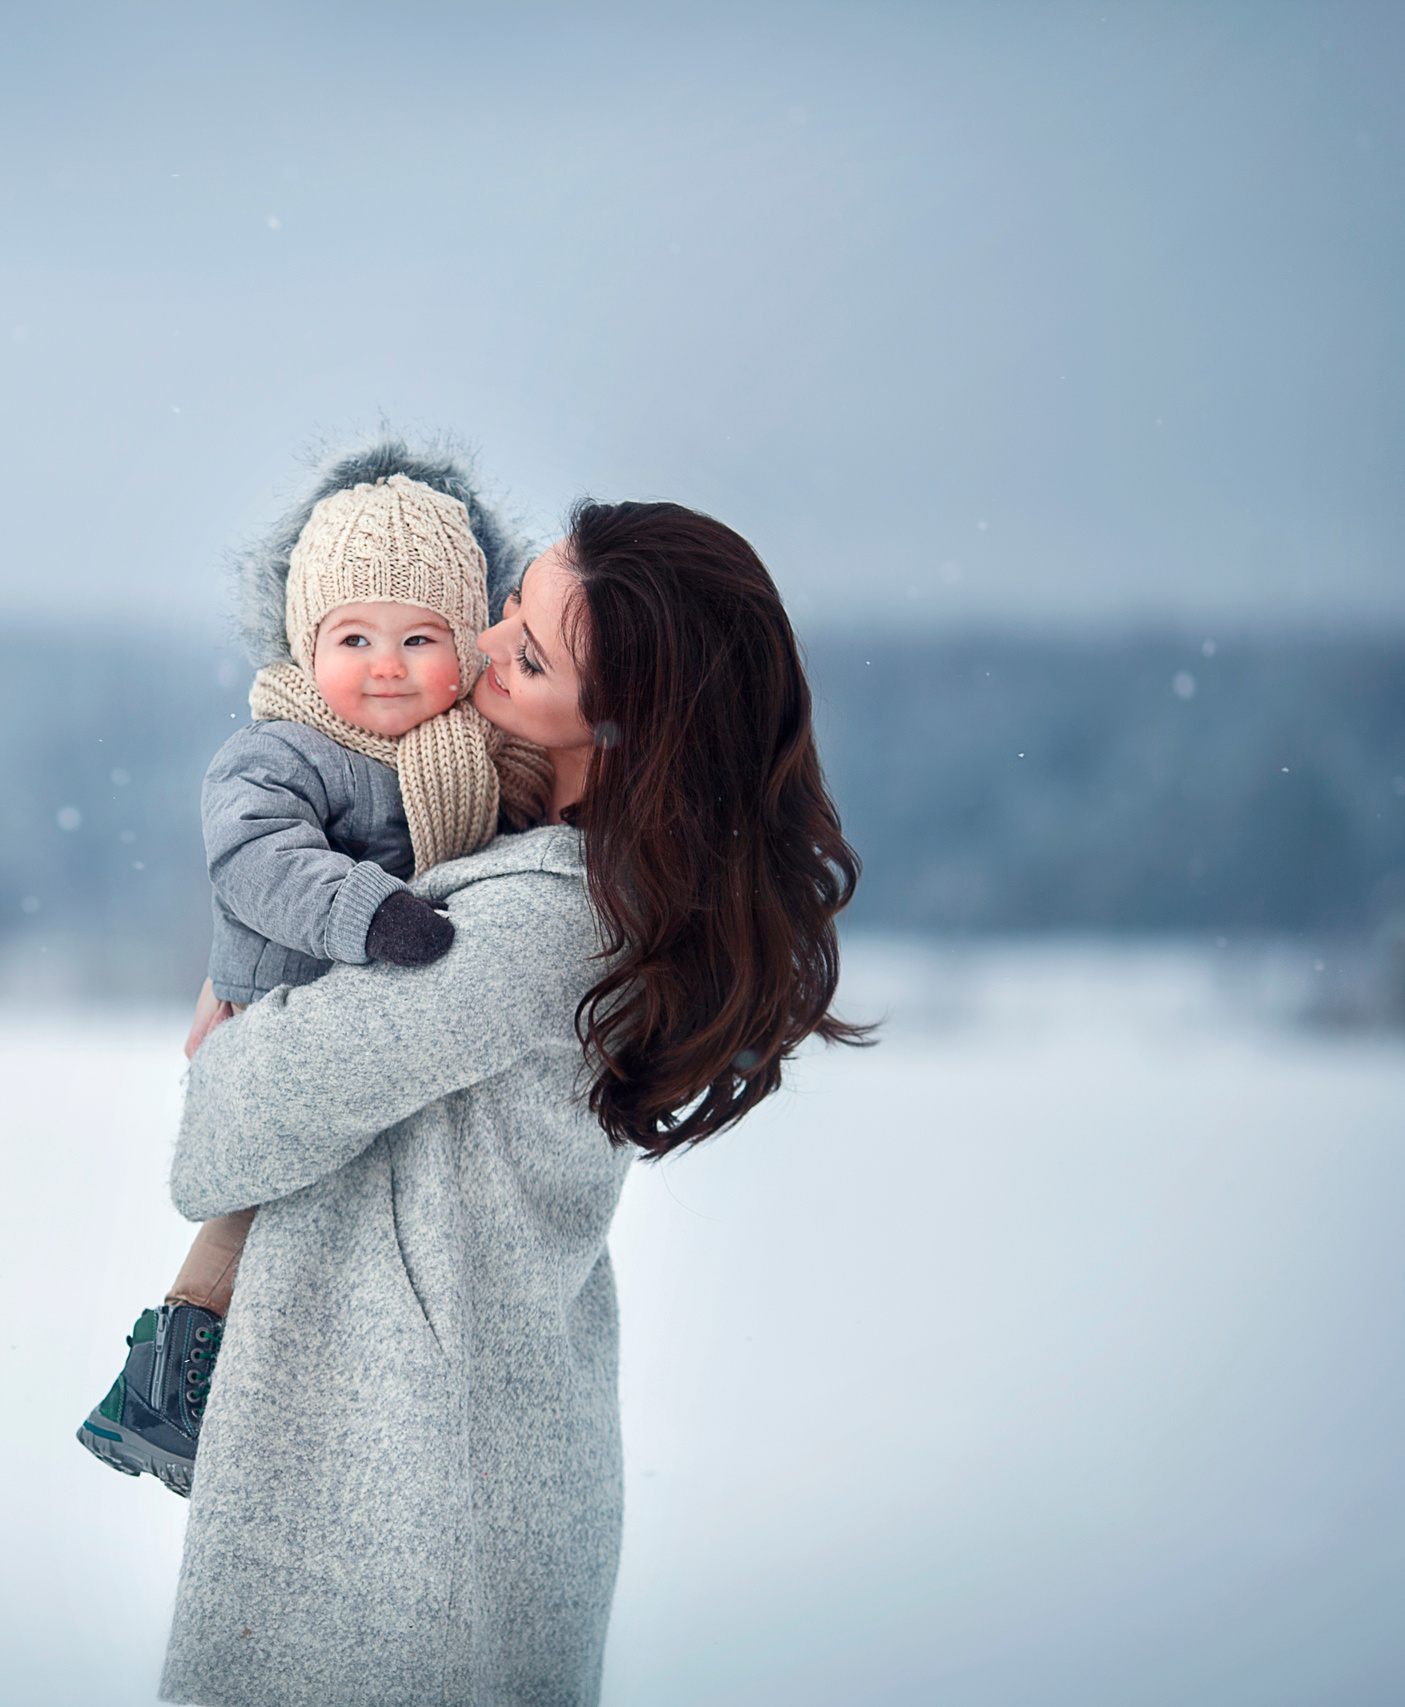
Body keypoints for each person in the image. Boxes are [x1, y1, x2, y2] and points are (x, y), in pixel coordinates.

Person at [157, 495, 869, 1707]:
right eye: (508, 607)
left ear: (623, 735)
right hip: (472, 1470)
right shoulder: (595, 893)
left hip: (397, 1514)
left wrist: (247, 1011)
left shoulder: (524, 924)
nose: (481, 646)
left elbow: (220, 1135)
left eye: (530, 656)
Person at [78, 452, 549, 1497]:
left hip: (373, 1021)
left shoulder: (465, 750)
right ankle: (168, 1380)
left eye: (419, 639)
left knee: (330, 1222)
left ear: (465, 646)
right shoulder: (281, 751)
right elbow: (256, 860)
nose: (386, 665)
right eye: (354, 638)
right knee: (252, 1206)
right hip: (282, 1005)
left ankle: (271, 1397)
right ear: (306, 641)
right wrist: (368, 913)